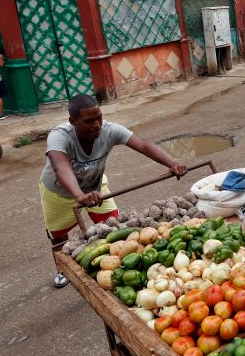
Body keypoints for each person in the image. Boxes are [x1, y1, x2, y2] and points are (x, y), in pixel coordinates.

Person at [42, 94, 188, 288]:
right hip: (59, 192)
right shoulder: (59, 136)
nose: (96, 125)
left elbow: (143, 145)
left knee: (114, 227)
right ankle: (62, 269)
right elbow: (61, 167)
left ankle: (111, 267)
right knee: (58, 236)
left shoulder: (110, 130)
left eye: (99, 118)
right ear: (73, 121)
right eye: (89, 121)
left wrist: (173, 163)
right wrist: (79, 196)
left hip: (96, 189)